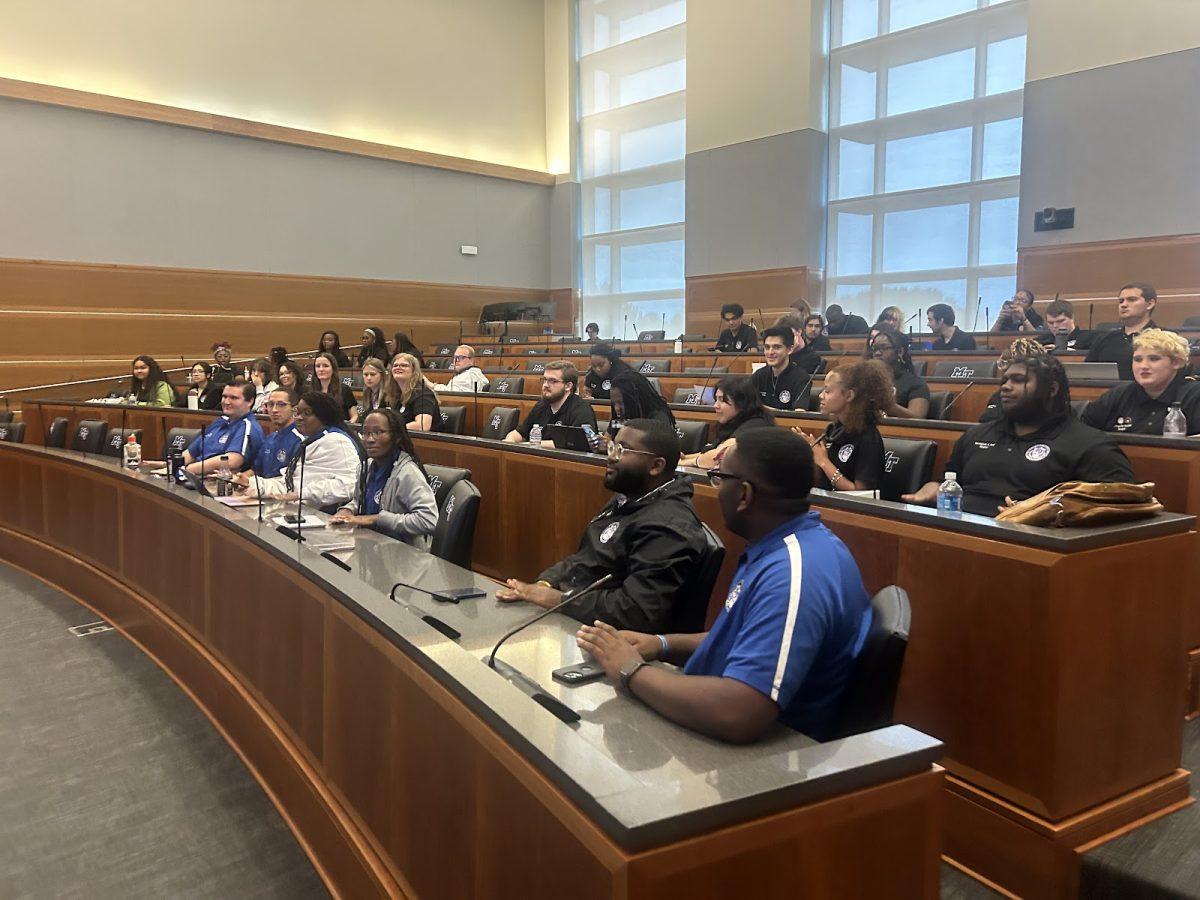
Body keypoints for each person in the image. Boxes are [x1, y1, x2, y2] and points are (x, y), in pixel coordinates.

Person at [575, 427, 872, 743]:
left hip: (771, 759)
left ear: (744, 494)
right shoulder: (782, 545)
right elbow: (746, 639)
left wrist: (631, 671)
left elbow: (738, 713)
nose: (716, 489)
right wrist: (661, 644)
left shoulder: (795, 572)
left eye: (719, 478)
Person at [497, 419, 707, 632]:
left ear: (656, 466)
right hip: (582, 621)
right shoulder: (632, 496)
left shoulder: (669, 527)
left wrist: (558, 599)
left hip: (619, 643)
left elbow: (635, 612)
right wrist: (544, 585)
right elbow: (587, 559)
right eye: (612, 447)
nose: (611, 457)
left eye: (622, 450)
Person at [902, 355, 1135, 516]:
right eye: (1004, 380)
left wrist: (1040, 514)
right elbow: (949, 481)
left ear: (1052, 389)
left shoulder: (1091, 445)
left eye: (1019, 380)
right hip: (959, 533)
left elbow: (1118, 508)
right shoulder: (976, 434)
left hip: (1033, 545)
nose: (1005, 386)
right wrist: (934, 487)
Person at [331, 408, 439, 548]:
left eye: (378, 432)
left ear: (396, 437)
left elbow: (428, 520)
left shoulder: (407, 473)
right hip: (370, 548)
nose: (369, 439)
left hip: (402, 556)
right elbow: (360, 501)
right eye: (365, 433)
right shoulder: (366, 467)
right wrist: (348, 510)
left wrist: (377, 519)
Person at [245, 392, 361, 508]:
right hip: (297, 510)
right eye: (297, 412)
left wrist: (300, 494)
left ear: (323, 415)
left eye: (307, 413)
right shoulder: (311, 441)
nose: (299, 418)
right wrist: (251, 484)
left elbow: (349, 486)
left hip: (324, 516)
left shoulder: (337, 441)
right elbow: (291, 484)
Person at [795, 360, 889, 493]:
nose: (821, 395)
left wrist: (823, 461)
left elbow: (860, 493)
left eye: (827, 391)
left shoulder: (868, 438)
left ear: (849, 395)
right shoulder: (835, 429)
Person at [1082, 329, 1200, 435]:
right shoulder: (1117, 395)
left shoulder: (1195, 396)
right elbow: (1082, 431)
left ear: (1176, 363)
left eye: (1154, 359)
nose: (1143, 366)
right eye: (1137, 360)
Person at [678, 375, 774, 469]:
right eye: (716, 399)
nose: (716, 405)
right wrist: (685, 457)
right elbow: (713, 450)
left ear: (741, 402)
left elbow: (720, 456)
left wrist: (686, 462)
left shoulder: (756, 425)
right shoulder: (733, 422)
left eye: (722, 400)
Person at [174, 381, 264, 476]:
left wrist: (187, 469)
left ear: (250, 401)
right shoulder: (220, 421)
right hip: (191, 475)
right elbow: (190, 453)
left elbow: (232, 461)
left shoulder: (248, 426)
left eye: (233, 398)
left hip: (213, 481)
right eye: (224, 397)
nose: (226, 402)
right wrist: (173, 466)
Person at [505, 361, 598, 443]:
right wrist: (509, 441)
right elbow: (520, 433)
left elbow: (575, 444)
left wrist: (530, 445)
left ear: (568, 386)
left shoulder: (581, 410)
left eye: (552, 381)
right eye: (545, 380)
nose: (545, 385)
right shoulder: (541, 406)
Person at [1085, 283, 1160, 380]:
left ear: (1150, 304)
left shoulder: (1165, 338)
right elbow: (1087, 375)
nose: (1123, 305)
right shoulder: (1104, 339)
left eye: (1132, 300)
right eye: (1121, 301)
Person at [978, 338, 1051, 423]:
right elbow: (986, 420)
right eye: (1002, 363)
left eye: (1019, 379)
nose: (1004, 368)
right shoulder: (999, 395)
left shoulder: (1044, 399)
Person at [239, 387, 304, 479]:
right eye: (270, 404)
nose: (274, 410)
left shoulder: (300, 440)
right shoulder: (270, 438)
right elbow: (256, 470)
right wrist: (240, 478)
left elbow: (294, 480)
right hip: (262, 489)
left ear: (295, 409)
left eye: (281, 404)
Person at [870, 326, 930, 418]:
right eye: (875, 349)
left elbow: (918, 418)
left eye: (884, 348)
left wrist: (890, 406)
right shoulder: (867, 380)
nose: (877, 353)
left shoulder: (916, 383)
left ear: (900, 351)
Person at [751, 327, 813, 411]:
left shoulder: (801, 378)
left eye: (777, 347)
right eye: (767, 347)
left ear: (790, 349)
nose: (770, 352)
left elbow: (799, 414)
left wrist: (761, 409)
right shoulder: (758, 375)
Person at [607, 370, 675, 439]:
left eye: (621, 403)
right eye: (614, 403)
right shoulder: (620, 417)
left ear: (636, 399)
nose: (617, 408)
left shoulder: (658, 420)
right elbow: (608, 439)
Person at [390, 353, 441, 432]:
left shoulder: (424, 394)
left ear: (414, 371)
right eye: (395, 365)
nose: (398, 367)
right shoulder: (397, 395)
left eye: (404, 365)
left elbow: (422, 426)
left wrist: (392, 429)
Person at [310, 351, 358, 422]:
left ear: (333, 369)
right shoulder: (310, 391)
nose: (321, 369)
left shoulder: (344, 389)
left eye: (325, 366)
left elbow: (355, 416)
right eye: (317, 366)